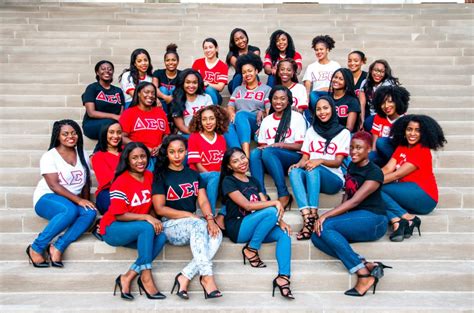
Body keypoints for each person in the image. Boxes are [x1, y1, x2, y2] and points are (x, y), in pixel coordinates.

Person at [312, 131, 390, 297]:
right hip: (357, 218)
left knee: (325, 225)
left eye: (359, 148)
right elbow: (347, 195)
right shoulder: (352, 166)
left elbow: (355, 201)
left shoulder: (375, 173)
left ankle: (362, 274)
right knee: (316, 235)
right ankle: (364, 263)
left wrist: (327, 215)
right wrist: (337, 216)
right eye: (352, 147)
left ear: (369, 149)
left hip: (375, 220)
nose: (353, 151)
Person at [152, 135, 222, 300]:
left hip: (191, 224)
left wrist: (210, 220)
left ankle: (185, 275)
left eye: (181, 151)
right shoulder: (161, 175)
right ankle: (207, 277)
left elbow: (203, 200)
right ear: (166, 154)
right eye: (172, 152)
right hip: (169, 226)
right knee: (198, 224)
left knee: (216, 232)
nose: (177, 156)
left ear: (187, 152)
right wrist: (190, 215)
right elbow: (159, 209)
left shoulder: (193, 174)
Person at [219, 147, 294, 299]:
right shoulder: (229, 181)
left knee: (284, 235)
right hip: (239, 227)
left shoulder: (254, 181)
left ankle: (283, 277)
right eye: (235, 161)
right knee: (272, 209)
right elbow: (247, 205)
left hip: (257, 226)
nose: (241, 162)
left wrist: (281, 222)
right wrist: (275, 203)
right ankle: (252, 249)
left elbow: (263, 202)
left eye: (242, 157)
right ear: (229, 166)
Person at [100, 142, 167, 301]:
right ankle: (146, 277)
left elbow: (152, 205)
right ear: (127, 160)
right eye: (134, 158)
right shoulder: (120, 182)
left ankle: (128, 276)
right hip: (113, 228)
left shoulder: (150, 176)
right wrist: (146, 217)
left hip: (137, 228)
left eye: (143, 156)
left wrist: (150, 216)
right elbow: (118, 215)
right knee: (146, 227)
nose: (140, 161)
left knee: (162, 236)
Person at [27, 120, 96, 268]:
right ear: (58, 136)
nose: (70, 136)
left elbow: (86, 181)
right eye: (65, 134)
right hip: (46, 198)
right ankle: (36, 247)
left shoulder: (82, 153)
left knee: (89, 213)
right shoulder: (49, 156)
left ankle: (58, 246)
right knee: (69, 210)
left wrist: (86, 201)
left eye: (73, 133)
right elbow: (54, 185)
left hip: (70, 201)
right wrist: (78, 201)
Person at [289, 96, 350, 241]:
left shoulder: (343, 132)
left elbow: (337, 162)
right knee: (295, 171)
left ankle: (313, 211)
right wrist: (298, 165)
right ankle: (308, 218)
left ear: (332, 110)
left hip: (333, 178)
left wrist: (320, 160)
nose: (322, 112)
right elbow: (305, 158)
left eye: (325, 108)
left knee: (313, 167)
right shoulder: (311, 131)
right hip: (312, 175)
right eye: (318, 109)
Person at [381, 114, 446, 242]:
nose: (412, 133)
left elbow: (397, 174)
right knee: (372, 193)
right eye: (409, 129)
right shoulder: (402, 147)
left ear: (424, 133)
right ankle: (397, 223)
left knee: (376, 189)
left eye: (418, 130)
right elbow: (388, 169)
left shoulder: (422, 150)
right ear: (404, 131)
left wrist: (371, 183)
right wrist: (368, 177)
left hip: (425, 196)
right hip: (407, 193)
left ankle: (407, 217)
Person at [250, 85, 306, 210]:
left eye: (282, 99)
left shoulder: (297, 118)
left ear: (288, 101)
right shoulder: (267, 120)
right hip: (271, 159)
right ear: (271, 100)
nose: (278, 102)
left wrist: (280, 144)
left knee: (269, 152)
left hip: (292, 157)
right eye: (275, 98)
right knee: (254, 154)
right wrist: (270, 147)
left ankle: (283, 193)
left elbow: (301, 146)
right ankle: (261, 194)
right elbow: (262, 146)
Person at [227, 54, 271, 156]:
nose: (247, 74)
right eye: (244, 72)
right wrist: (232, 113)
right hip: (239, 122)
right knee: (226, 125)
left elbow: (269, 111)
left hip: (256, 123)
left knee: (241, 114)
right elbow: (230, 106)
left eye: (250, 71)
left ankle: (246, 155)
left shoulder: (266, 89)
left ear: (256, 71)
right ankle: (238, 155)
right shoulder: (238, 89)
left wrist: (264, 126)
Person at [188, 106, 229, 215]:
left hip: (217, 177)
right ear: (200, 122)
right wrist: (213, 176)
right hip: (200, 176)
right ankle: (209, 215)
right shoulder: (194, 137)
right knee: (215, 176)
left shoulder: (221, 138)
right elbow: (197, 164)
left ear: (217, 120)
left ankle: (222, 215)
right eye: (204, 119)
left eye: (211, 118)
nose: (208, 122)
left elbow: (222, 163)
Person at [119, 82, 170, 170]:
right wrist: (143, 148)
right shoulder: (129, 113)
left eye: (153, 93)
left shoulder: (160, 112)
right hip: (139, 155)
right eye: (146, 92)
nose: (150, 95)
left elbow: (166, 135)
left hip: (159, 154)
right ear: (138, 93)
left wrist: (160, 146)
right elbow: (122, 137)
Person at [82, 60, 125, 140]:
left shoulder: (118, 91)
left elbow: (121, 113)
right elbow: (91, 113)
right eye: (103, 69)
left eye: (110, 69)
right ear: (97, 72)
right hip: (92, 124)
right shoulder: (92, 88)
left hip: (113, 124)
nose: (107, 71)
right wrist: (113, 116)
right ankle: (98, 151)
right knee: (110, 125)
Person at [369, 85, 410, 166]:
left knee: (381, 142)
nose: (386, 106)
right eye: (383, 103)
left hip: (398, 156)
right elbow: (375, 140)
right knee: (370, 156)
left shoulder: (405, 120)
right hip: (382, 156)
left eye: (390, 101)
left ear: (398, 101)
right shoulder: (378, 117)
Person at [302, 35, 340, 121]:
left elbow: (339, 83)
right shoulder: (311, 67)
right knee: (311, 96)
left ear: (327, 50)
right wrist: (306, 99)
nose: (319, 52)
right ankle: (318, 119)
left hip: (331, 93)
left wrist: (327, 89)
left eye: (321, 49)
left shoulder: (335, 65)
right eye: (316, 50)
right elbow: (307, 88)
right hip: (316, 96)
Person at [90, 121, 122, 215]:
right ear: (104, 133)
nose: (116, 136)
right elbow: (112, 181)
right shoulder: (98, 156)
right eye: (111, 132)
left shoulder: (127, 151)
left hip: (130, 189)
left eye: (119, 132)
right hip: (108, 192)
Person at [359, 59, 399, 131]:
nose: (378, 74)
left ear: (385, 73)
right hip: (371, 114)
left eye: (382, 72)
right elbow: (362, 103)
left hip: (385, 114)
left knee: (369, 123)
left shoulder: (389, 84)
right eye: (375, 70)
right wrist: (362, 120)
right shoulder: (365, 82)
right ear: (371, 70)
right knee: (367, 123)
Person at [170, 69, 213, 136]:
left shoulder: (206, 98)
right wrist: (197, 136)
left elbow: (210, 119)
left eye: (194, 82)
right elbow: (181, 126)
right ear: (182, 83)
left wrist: (204, 135)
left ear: (198, 84)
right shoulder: (176, 100)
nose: (191, 85)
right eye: (188, 82)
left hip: (205, 133)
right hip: (186, 134)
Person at [192, 38, 228, 105]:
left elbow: (220, 87)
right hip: (198, 93)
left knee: (208, 89)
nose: (208, 50)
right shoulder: (197, 63)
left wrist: (207, 84)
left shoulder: (223, 66)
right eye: (205, 48)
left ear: (216, 48)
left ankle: (213, 111)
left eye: (210, 47)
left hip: (214, 95)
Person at [226, 28, 261, 94]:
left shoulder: (255, 50)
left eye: (242, 38)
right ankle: (235, 100)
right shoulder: (232, 54)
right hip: (237, 81)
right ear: (234, 42)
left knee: (254, 75)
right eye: (237, 40)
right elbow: (242, 69)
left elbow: (253, 67)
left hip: (252, 78)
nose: (240, 41)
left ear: (246, 37)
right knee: (239, 76)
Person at [152, 43, 181, 114]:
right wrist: (166, 97)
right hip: (162, 103)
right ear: (164, 62)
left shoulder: (182, 74)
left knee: (174, 90)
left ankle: (175, 116)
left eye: (173, 60)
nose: (170, 62)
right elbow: (154, 88)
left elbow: (182, 91)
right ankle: (165, 116)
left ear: (178, 61)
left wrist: (172, 97)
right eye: (168, 60)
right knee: (163, 89)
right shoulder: (158, 73)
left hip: (176, 103)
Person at [329, 68, 361, 132]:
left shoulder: (352, 101)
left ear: (347, 82)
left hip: (345, 135)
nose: (337, 80)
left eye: (341, 79)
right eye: (335, 77)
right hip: (328, 133)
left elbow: (349, 128)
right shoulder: (327, 98)